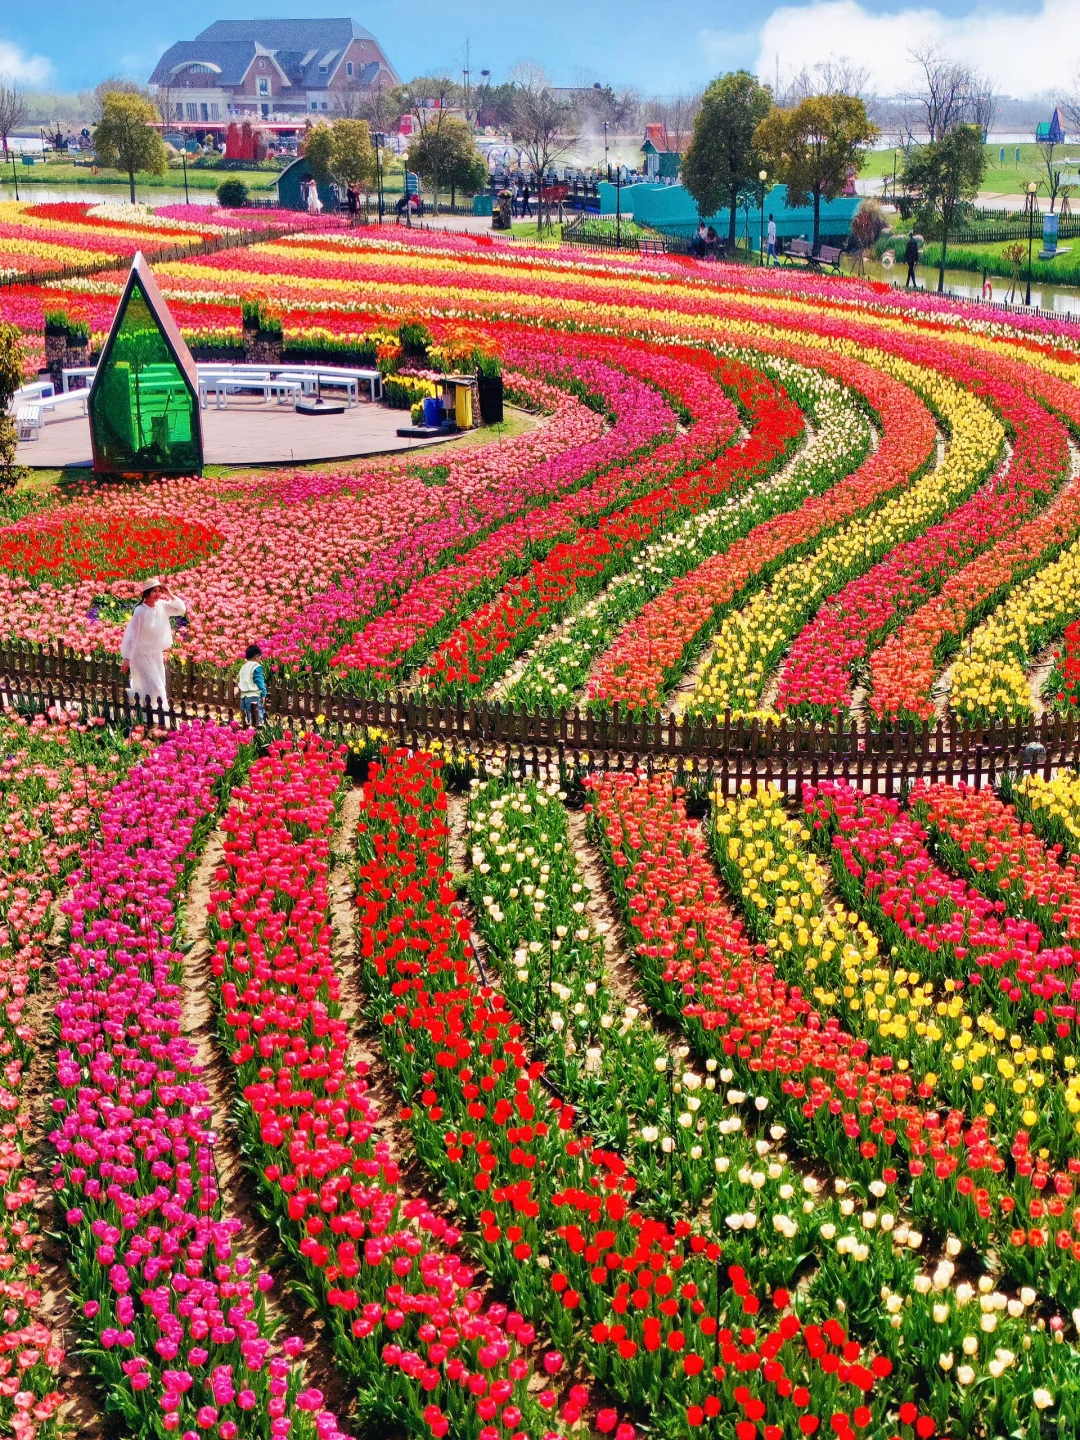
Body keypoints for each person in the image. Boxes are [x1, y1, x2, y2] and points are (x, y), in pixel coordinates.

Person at [120, 576, 186, 713]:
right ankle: (154, 713)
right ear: (147, 593)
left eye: (159, 591)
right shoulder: (140, 611)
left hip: (155, 653)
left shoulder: (162, 606)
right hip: (140, 654)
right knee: (154, 686)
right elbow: (132, 635)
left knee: (157, 683)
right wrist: (127, 658)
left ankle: (139, 704)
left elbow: (181, 609)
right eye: (154, 591)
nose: (158, 594)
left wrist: (169, 594)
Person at [237, 643, 268, 726]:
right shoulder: (256, 666)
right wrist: (264, 694)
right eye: (260, 657)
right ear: (256, 656)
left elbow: (238, 679)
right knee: (258, 720)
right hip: (254, 696)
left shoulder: (243, 667)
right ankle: (257, 736)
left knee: (247, 720)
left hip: (243, 697)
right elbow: (259, 681)